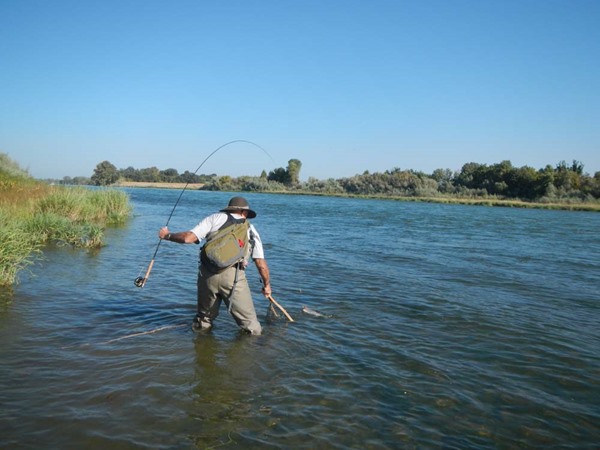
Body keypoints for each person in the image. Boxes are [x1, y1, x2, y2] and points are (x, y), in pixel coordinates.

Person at [158, 196, 271, 335]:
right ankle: (251, 352)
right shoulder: (251, 230)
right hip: (234, 278)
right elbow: (261, 264)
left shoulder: (214, 218)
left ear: (230, 209)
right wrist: (266, 285)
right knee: (252, 327)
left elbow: (188, 238)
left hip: (206, 275)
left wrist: (167, 235)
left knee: (203, 320)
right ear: (244, 212)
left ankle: (201, 349)